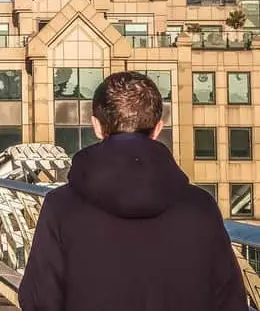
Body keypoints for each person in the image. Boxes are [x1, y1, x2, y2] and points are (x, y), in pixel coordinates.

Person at [19, 72, 248, 311]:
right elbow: (230, 301)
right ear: (158, 128)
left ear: (96, 125)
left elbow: (38, 300)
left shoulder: (61, 206)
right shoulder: (200, 207)